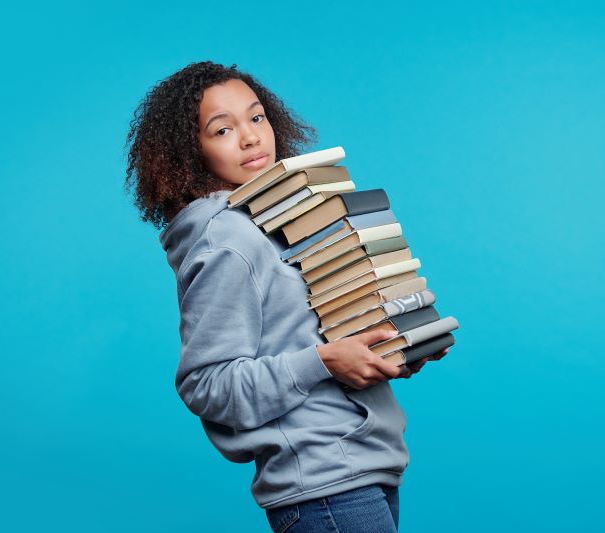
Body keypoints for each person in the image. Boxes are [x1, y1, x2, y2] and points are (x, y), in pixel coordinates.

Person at [125, 60, 448, 532]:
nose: (252, 137)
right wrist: (326, 363)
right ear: (188, 152)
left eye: (257, 118)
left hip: (363, 467)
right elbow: (207, 384)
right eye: (222, 129)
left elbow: (302, 337)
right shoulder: (226, 240)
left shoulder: (280, 218)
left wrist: (391, 350)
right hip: (324, 485)